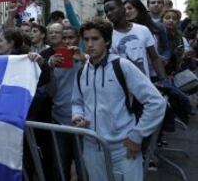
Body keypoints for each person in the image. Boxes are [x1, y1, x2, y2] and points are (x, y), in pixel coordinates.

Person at [72, 17, 166, 181]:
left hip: (123, 148)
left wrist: (137, 136)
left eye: (95, 39)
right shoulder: (82, 71)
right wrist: (77, 116)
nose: (89, 44)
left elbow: (156, 102)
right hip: (91, 147)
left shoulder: (122, 66)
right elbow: (77, 102)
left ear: (107, 41)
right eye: (86, 39)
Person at [40, 22, 85, 180]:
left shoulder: (87, 60)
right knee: (60, 168)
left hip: (82, 123)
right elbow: (50, 92)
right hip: (59, 121)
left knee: (83, 169)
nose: (67, 41)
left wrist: (84, 62)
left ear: (78, 40)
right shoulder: (54, 62)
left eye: (71, 38)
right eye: (64, 38)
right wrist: (49, 68)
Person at [104, 0, 166, 80]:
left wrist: (164, 80)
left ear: (122, 9)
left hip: (145, 86)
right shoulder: (107, 36)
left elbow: (154, 57)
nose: (109, 13)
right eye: (106, 11)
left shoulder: (143, 30)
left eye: (112, 9)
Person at [123, 0, 171, 65]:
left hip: (156, 71)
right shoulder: (122, 30)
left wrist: (164, 58)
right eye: (124, 9)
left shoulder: (157, 27)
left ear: (139, 9)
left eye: (130, 8)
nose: (126, 11)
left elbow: (166, 48)